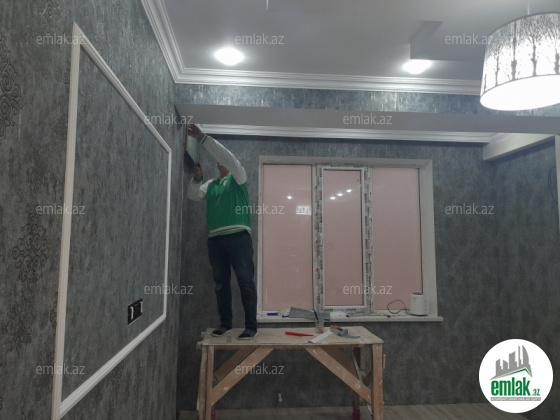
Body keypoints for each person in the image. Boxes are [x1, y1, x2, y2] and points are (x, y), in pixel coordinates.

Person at [186, 124, 258, 339]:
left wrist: (202, 138)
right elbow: (193, 195)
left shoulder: (238, 178)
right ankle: (225, 324)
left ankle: (251, 327)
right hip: (216, 240)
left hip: (239, 238)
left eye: (222, 159)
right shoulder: (211, 185)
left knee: (245, 282)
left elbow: (225, 155)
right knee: (220, 284)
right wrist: (197, 179)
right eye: (218, 160)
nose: (220, 161)